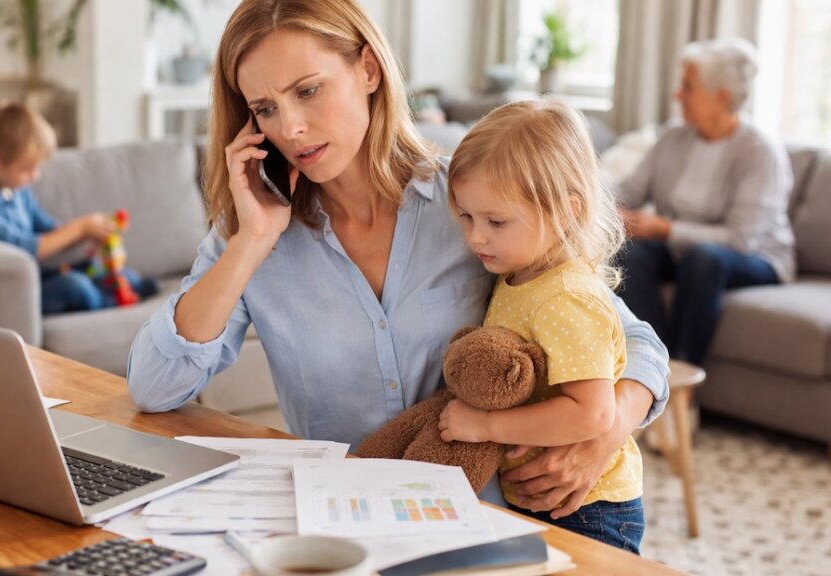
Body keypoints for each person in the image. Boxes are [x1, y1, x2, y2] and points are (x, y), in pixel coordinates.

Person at [127, 0, 669, 517]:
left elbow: (632, 339)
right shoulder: (251, 234)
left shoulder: (477, 204)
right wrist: (251, 242)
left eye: (309, 91)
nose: (289, 128)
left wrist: (606, 429)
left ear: (367, 68)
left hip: (486, 517)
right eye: (265, 109)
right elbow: (155, 389)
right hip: (343, 521)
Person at [436, 100, 644, 552]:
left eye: (496, 221)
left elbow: (592, 413)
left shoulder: (566, 297)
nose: (475, 237)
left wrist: (487, 425)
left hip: (588, 506)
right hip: (536, 495)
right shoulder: (520, 273)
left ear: (566, 211)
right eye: (467, 217)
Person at [615, 38, 795, 365]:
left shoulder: (759, 152)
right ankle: (652, 362)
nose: (677, 95)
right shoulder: (673, 137)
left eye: (687, 86)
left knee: (704, 258)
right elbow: (628, 191)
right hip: (684, 250)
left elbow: (740, 239)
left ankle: (682, 373)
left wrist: (664, 228)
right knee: (629, 250)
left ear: (722, 96)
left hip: (757, 256)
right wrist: (588, 201)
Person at [0, 102, 157, 314]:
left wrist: (88, 232)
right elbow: (24, 248)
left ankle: (133, 288)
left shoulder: (16, 188)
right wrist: (79, 228)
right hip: (12, 290)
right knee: (75, 286)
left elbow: (46, 227)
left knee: (114, 273)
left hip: (37, 275)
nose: (35, 177)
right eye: (27, 169)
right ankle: (115, 303)